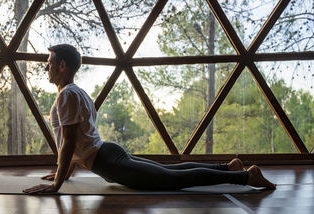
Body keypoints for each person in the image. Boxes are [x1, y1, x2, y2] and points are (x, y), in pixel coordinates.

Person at [23, 44, 276, 194]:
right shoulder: (76, 93)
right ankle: (229, 168)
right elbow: (79, 141)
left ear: (63, 66)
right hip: (107, 155)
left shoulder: (66, 96)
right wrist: (63, 173)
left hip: (108, 161)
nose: (47, 69)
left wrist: (57, 183)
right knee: (168, 171)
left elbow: (68, 142)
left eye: (49, 64)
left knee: (172, 180)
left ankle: (246, 177)